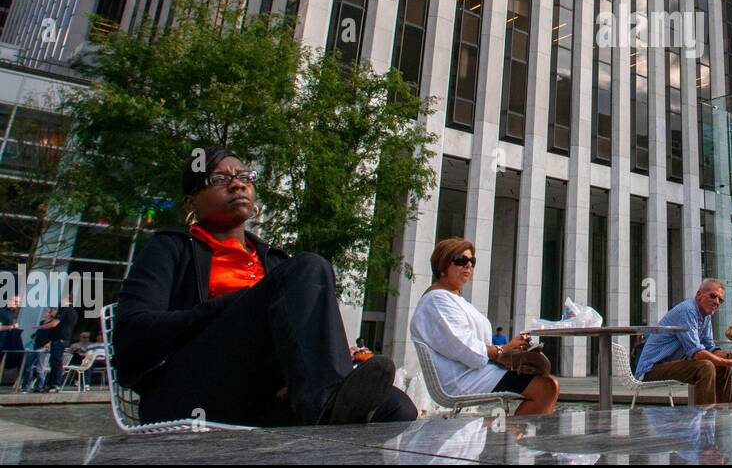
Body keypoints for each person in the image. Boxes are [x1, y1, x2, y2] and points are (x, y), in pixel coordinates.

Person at [115, 147, 416, 426]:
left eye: (245, 177)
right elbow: (132, 331)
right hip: (191, 389)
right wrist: (226, 307)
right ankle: (323, 401)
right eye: (220, 178)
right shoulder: (171, 248)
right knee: (309, 265)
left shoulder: (273, 260)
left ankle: (319, 398)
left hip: (260, 396)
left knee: (396, 407)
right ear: (191, 201)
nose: (237, 185)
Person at [411, 239, 559, 415]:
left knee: (548, 384)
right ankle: (513, 439)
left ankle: (514, 437)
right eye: (460, 260)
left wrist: (509, 351)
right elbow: (464, 347)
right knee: (546, 387)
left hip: (475, 372)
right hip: (462, 379)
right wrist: (502, 350)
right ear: (442, 266)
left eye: (472, 261)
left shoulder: (452, 299)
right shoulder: (437, 300)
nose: (468, 266)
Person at [636, 279, 732, 405]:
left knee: (722, 367)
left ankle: (728, 415)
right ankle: (704, 418)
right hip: (651, 369)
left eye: (720, 300)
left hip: (674, 364)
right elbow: (696, 353)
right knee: (705, 366)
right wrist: (730, 362)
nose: (716, 302)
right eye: (713, 296)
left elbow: (710, 348)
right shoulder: (687, 311)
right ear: (698, 295)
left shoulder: (706, 316)